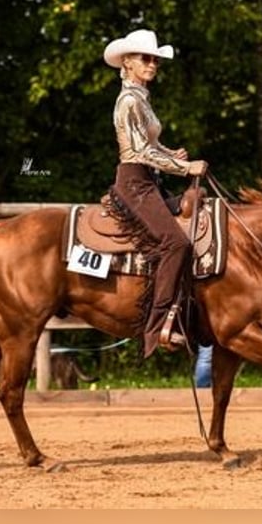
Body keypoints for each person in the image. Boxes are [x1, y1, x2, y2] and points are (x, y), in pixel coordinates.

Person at [103, 29, 208, 359]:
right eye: (146, 58)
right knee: (176, 243)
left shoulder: (140, 98)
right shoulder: (129, 100)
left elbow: (149, 145)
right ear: (128, 62)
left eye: (155, 59)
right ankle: (157, 326)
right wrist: (185, 167)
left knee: (198, 201)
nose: (153, 63)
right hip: (135, 183)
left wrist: (169, 153)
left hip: (149, 181)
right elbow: (137, 151)